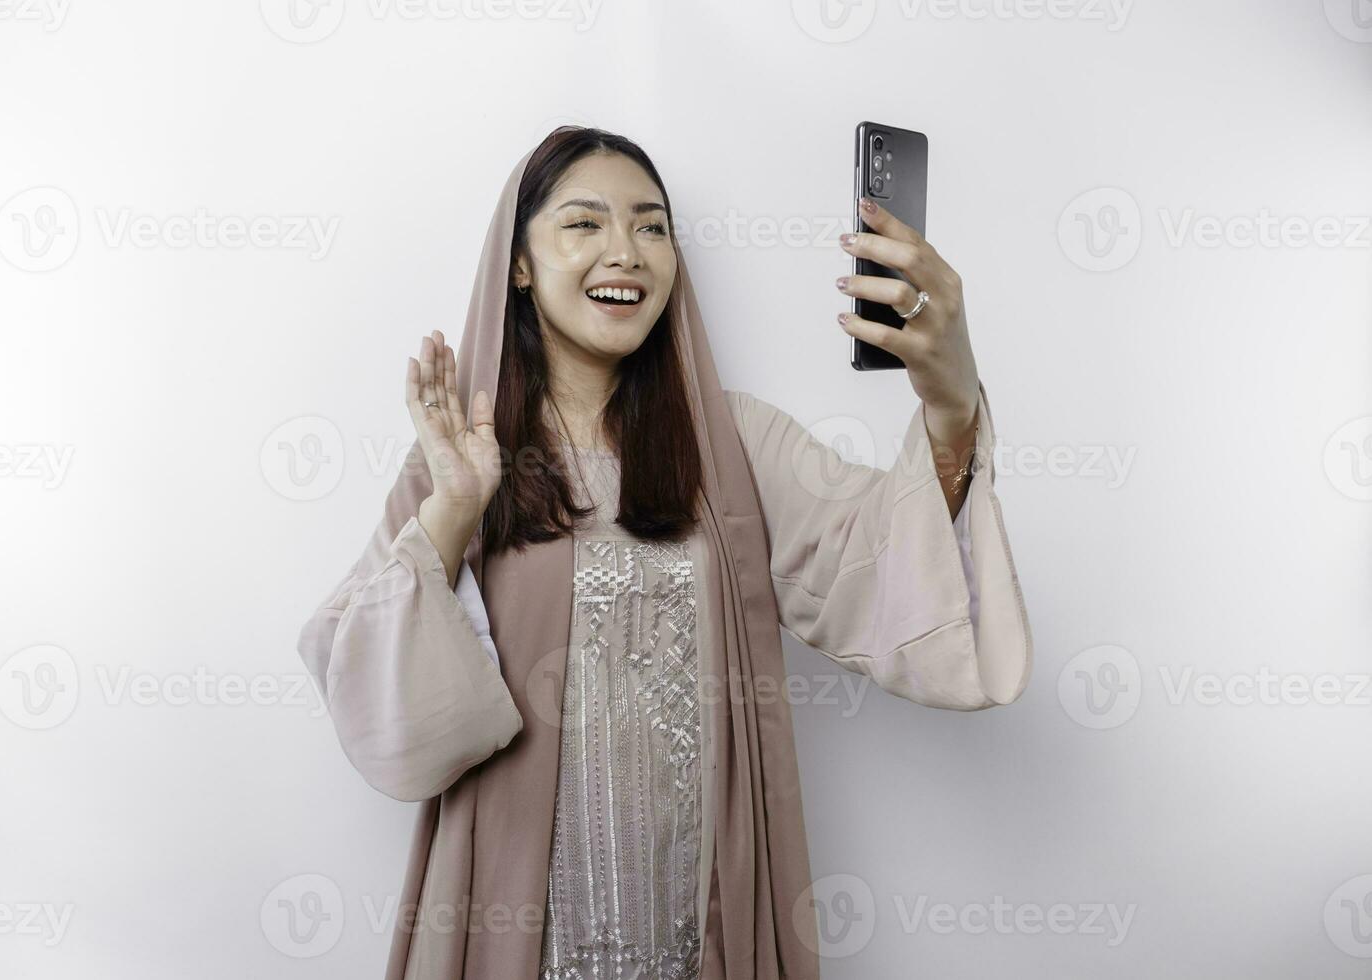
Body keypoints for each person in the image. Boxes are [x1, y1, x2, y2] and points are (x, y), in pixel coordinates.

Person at [296, 125, 1031, 980]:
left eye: (652, 227)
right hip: (520, 932)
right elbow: (382, 712)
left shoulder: (732, 443)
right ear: (520, 265)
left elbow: (887, 562)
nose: (627, 252)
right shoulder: (458, 453)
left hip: (700, 925)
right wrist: (456, 510)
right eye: (584, 224)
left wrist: (950, 407)